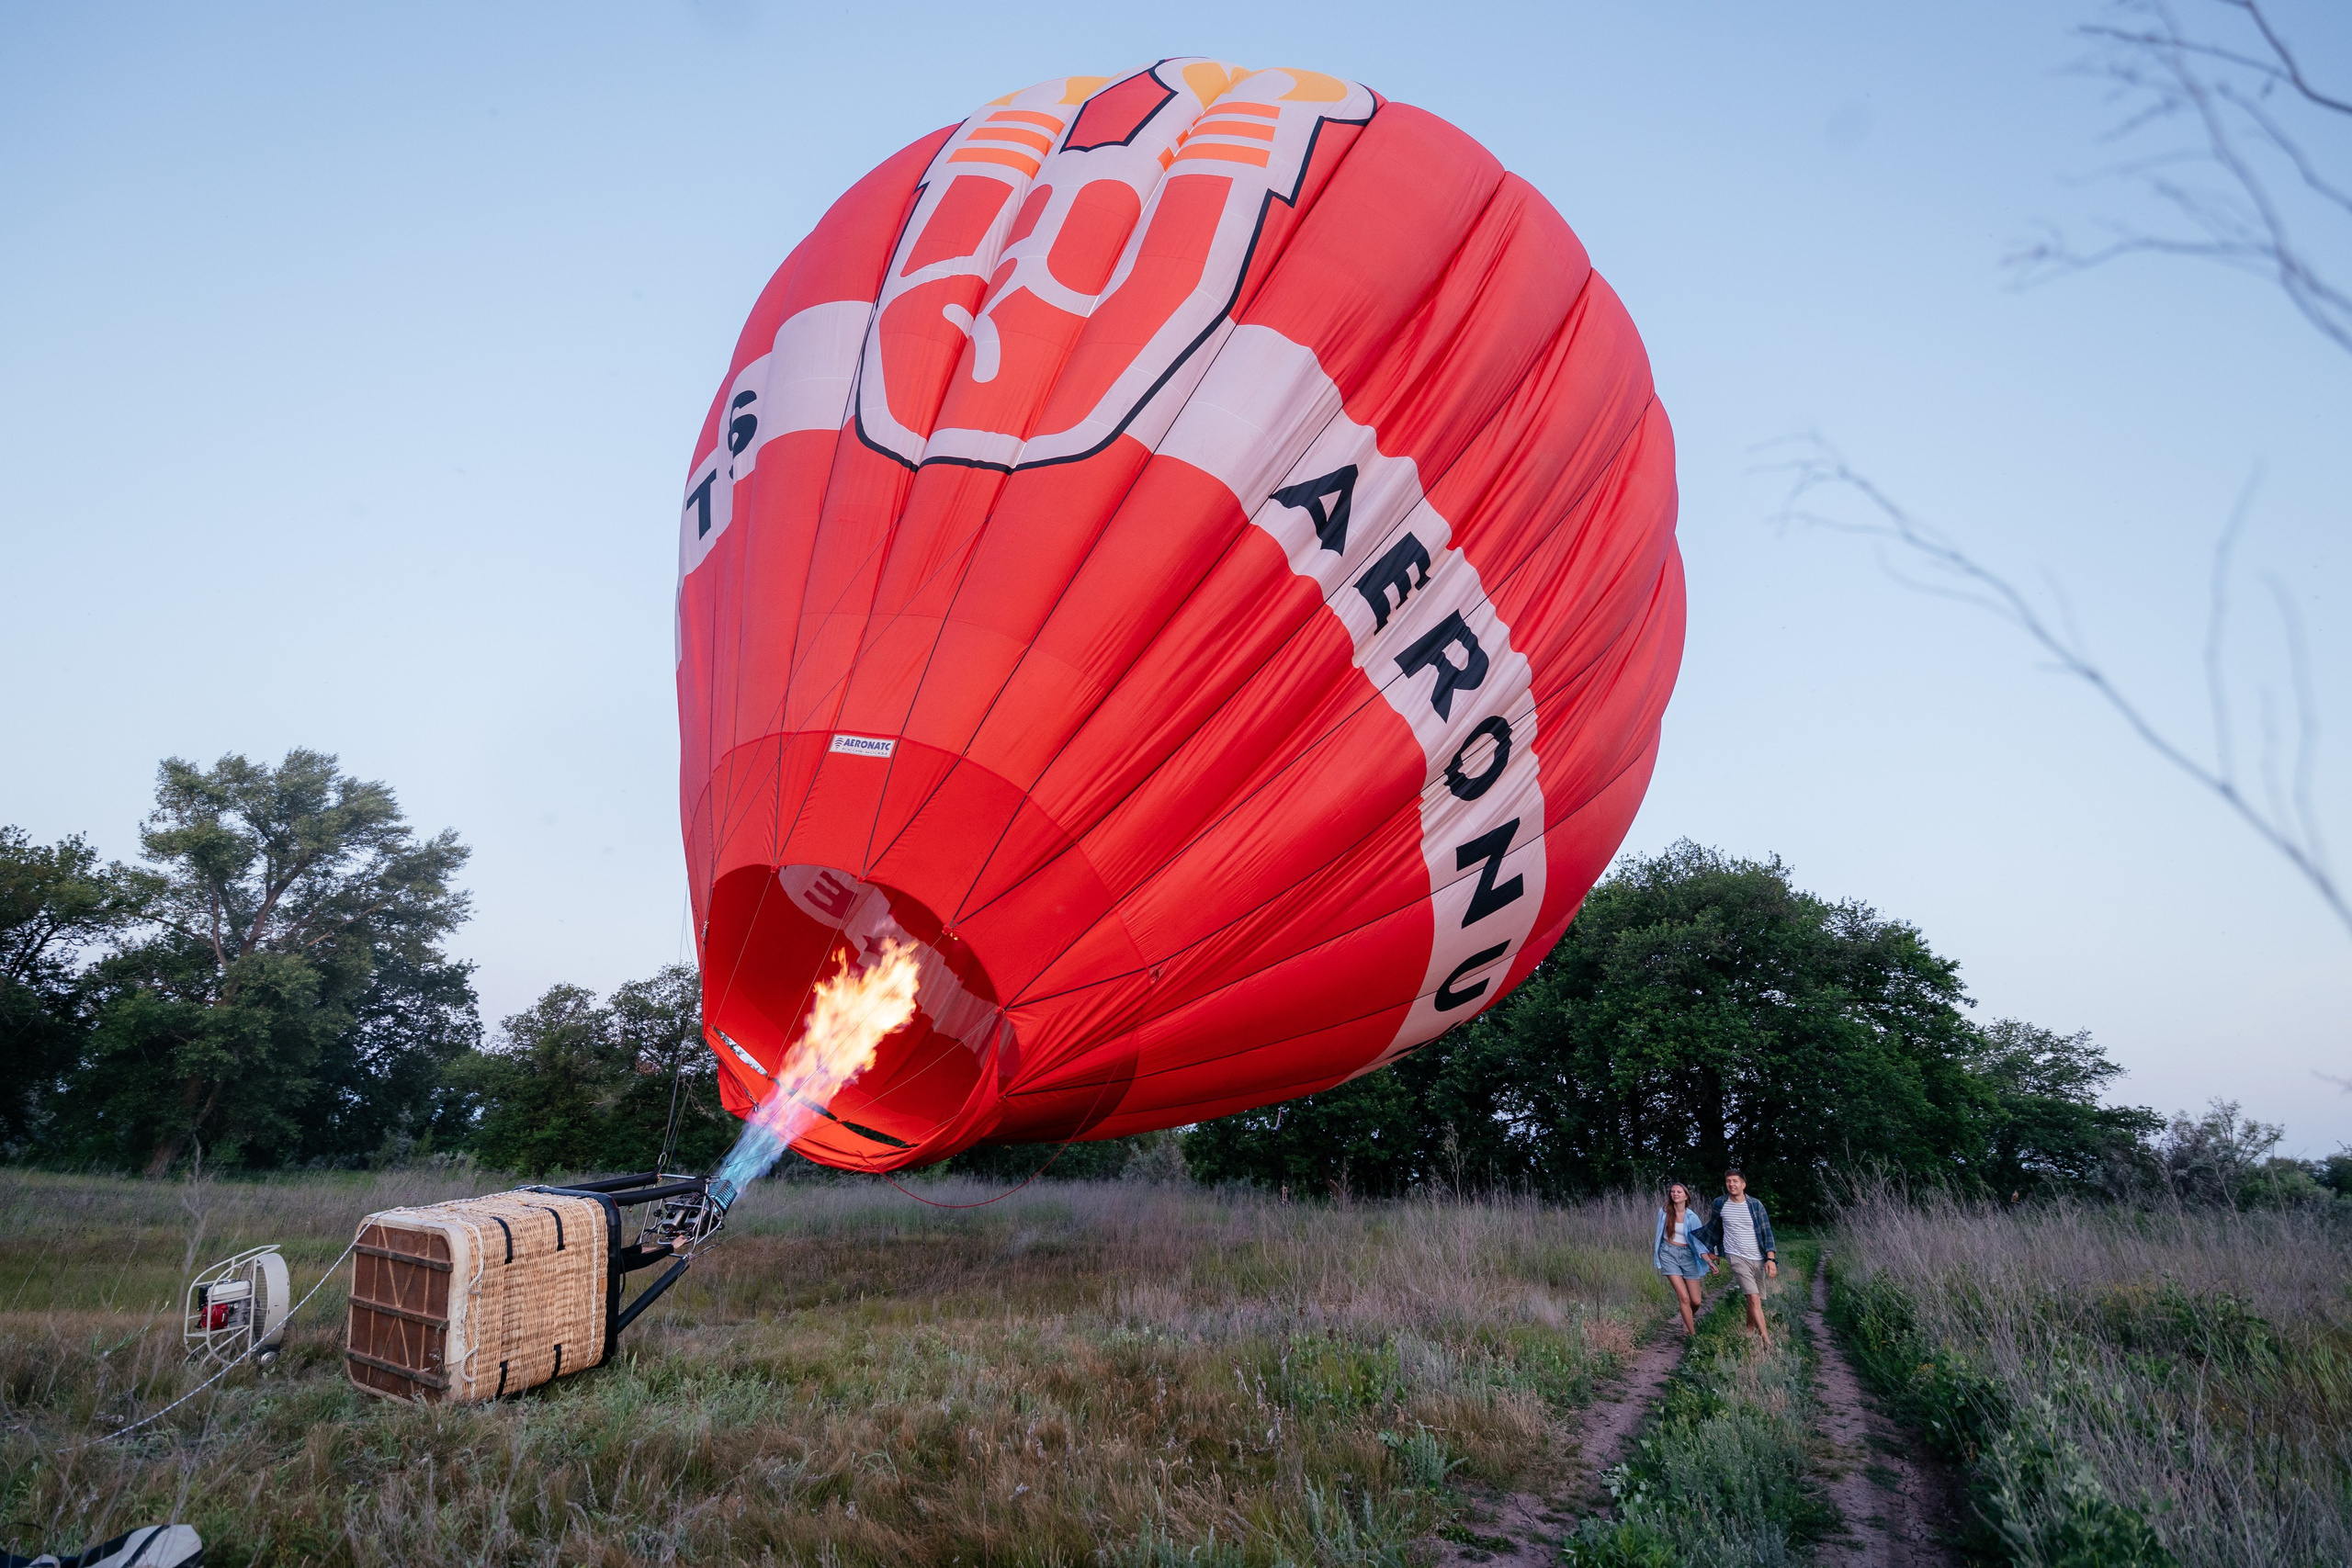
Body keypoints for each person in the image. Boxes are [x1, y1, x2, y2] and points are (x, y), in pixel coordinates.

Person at [1706, 1169, 1779, 1348]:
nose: (1732, 1184)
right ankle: (1766, 1341)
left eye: (1735, 1181)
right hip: (1735, 1255)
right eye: (1728, 1181)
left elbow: (1766, 1231)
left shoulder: (1755, 1205)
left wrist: (1771, 1259)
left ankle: (1749, 1330)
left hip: (1757, 1257)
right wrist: (1712, 1250)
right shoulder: (1719, 1203)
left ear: (1743, 1184)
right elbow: (1714, 1228)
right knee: (1753, 1298)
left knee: (1756, 1299)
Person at [1651, 1181, 1715, 1337]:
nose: (1675, 1194)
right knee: (1684, 1298)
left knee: (1696, 1301)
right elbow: (1659, 1234)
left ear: (1686, 1196)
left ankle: (1687, 1318)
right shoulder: (1664, 1212)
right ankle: (1691, 1335)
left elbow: (1699, 1243)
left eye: (1679, 1192)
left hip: (1688, 1256)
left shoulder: (1692, 1217)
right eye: (1673, 1191)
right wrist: (1658, 1253)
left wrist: (1709, 1261)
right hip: (1668, 1253)